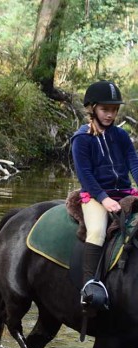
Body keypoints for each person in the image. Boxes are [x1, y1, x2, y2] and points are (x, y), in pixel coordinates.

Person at [70, 80, 131, 312]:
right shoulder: (82, 139)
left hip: (125, 193)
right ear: (92, 108)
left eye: (114, 110)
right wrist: (104, 198)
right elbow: (85, 175)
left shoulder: (121, 136)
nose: (110, 114)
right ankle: (90, 285)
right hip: (95, 196)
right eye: (105, 109)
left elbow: (133, 163)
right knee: (97, 231)